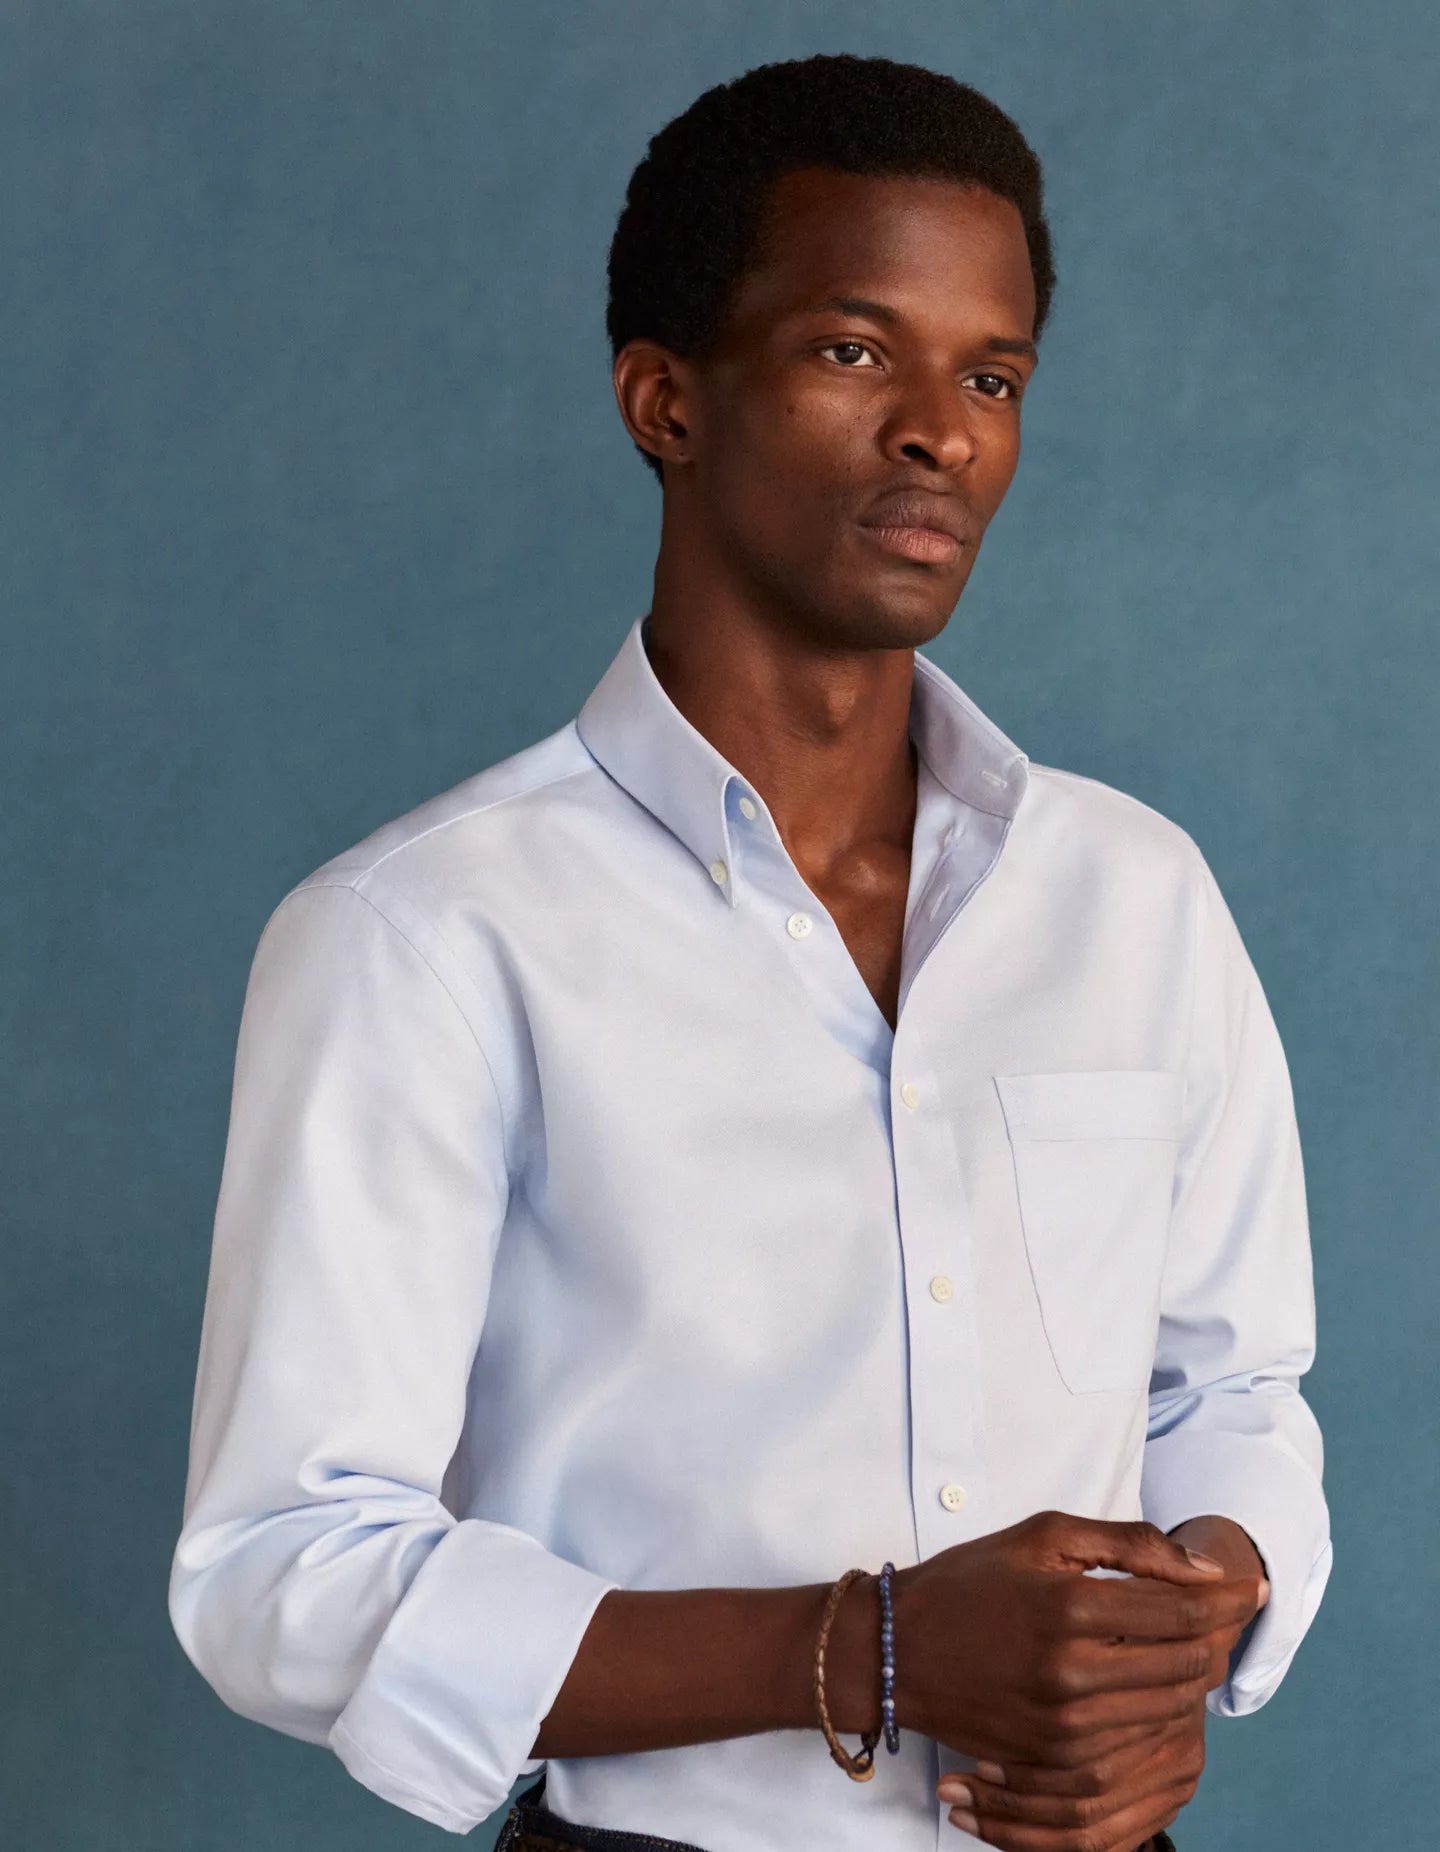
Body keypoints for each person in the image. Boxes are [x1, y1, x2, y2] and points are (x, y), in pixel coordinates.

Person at [168, 52, 1331, 1852]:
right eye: (855, 351)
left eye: (994, 375)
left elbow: (1230, 1387)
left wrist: (1168, 1647)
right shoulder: (424, 936)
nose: (943, 431)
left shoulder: (1136, 896)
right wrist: (871, 1651)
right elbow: (286, 1569)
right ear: (667, 400)